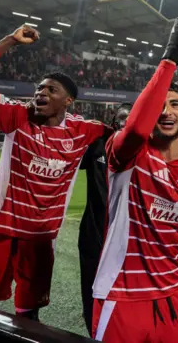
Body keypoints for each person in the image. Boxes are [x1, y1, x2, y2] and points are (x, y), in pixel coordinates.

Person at [91, 9, 178, 343]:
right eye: (160, 105)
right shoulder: (127, 153)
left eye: (176, 105)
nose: (166, 111)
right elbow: (138, 127)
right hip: (122, 294)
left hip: (172, 293)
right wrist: (170, 56)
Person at [0, 25, 112, 321]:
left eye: (51, 89)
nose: (40, 92)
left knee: (28, 314)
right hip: (0, 229)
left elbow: (129, 134)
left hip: (40, 239)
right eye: (39, 88)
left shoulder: (84, 130)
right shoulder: (16, 116)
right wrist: (10, 42)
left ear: (68, 101)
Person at [78, 103, 131, 333]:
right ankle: (93, 333)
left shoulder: (145, 151)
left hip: (124, 240)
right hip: (93, 234)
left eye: (130, 118)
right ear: (112, 121)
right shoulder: (97, 146)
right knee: (91, 294)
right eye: (121, 118)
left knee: (120, 296)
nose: (125, 122)